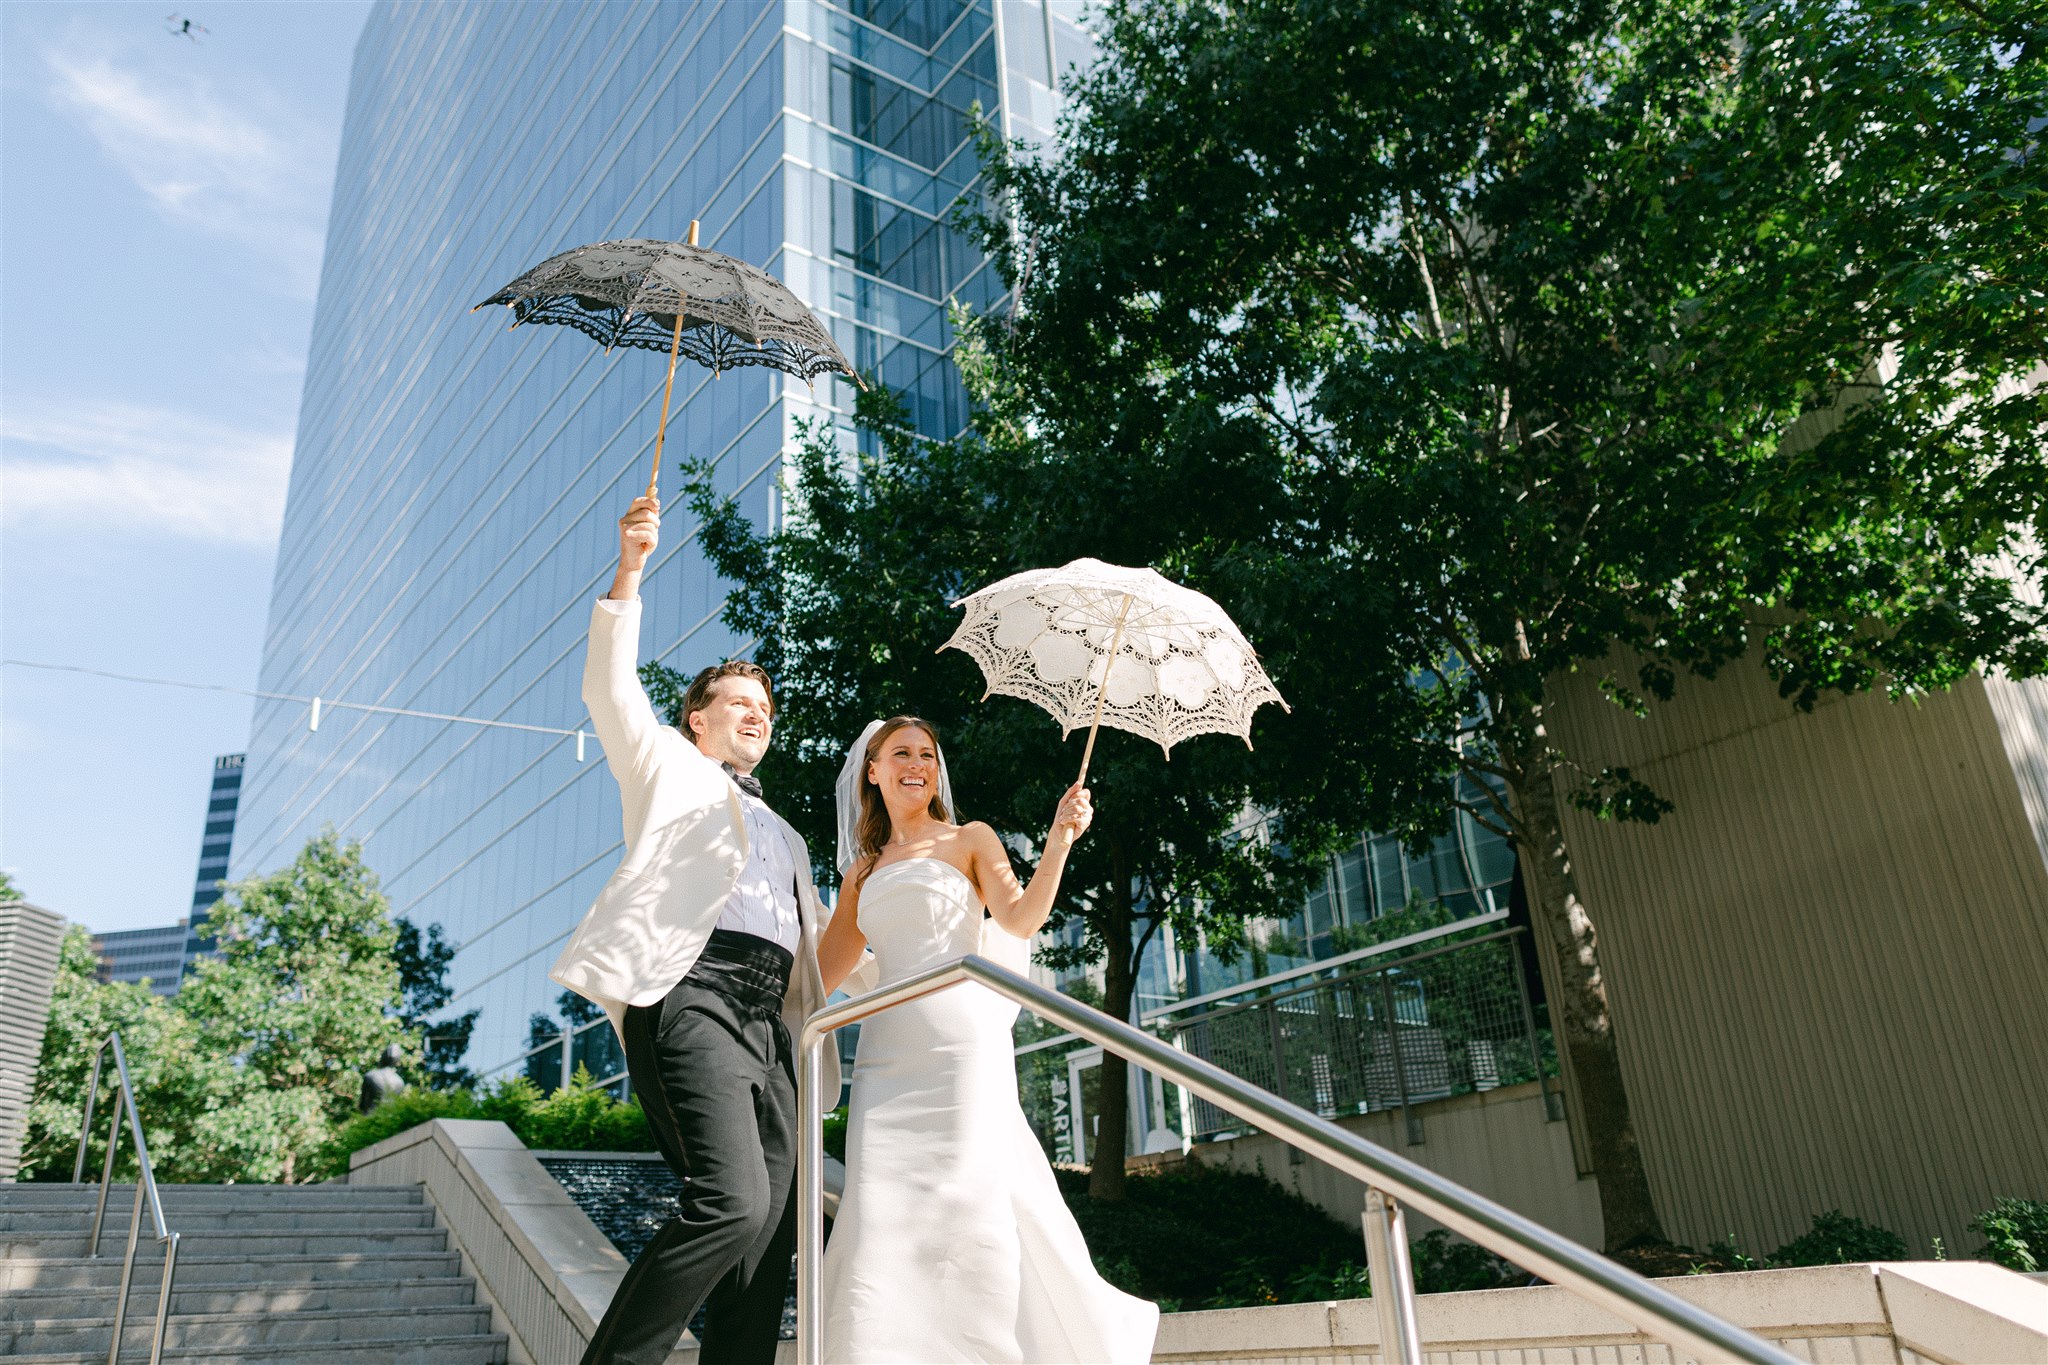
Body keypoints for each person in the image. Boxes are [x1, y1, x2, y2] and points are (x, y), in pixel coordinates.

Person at [552, 494, 862, 1365]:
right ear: (697, 716)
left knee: (772, 1222)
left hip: (774, 1025)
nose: (756, 713)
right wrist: (632, 567)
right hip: (690, 992)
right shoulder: (664, 768)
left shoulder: (791, 837)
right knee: (729, 1197)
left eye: (764, 705)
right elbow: (609, 688)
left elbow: (821, 967)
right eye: (737, 701)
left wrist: (870, 894)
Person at [816, 716, 1161, 1363]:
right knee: (881, 1216)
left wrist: (1060, 838)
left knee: (968, 1211)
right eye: (900, 753)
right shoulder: (860, 874)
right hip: (886, 1067)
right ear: (873, 769)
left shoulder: (971, 839)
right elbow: (817, 976)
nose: (915, 763)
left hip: (963, 1055)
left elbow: (1023, 915)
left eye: (926, 752)